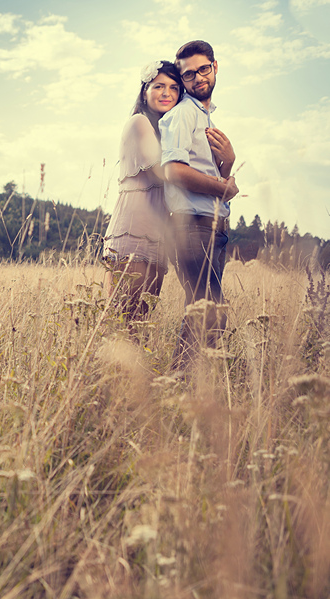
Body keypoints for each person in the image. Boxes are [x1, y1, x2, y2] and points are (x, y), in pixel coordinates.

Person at [159, 40, 239, 369]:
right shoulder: (182, 115)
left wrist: (229, 163)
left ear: (215, 67)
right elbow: (174, 170)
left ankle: (191, 390)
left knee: (205, 311)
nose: (197, 78)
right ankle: (180, 387)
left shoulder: (206, 118)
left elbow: (211, 173)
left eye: (203, 69)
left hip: (212, 224)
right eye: (188, 74)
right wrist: (222, 188)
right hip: (192, 224)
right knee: (208, 310)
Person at [103, 60, 183, 326]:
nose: (166, 93)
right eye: (159, 86)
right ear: (145, 91)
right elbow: (166, 172)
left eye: (173, 87)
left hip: (156, 236)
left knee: (139, 324)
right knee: (121, 321)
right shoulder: (139, 122)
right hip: (133, 231)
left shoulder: (165, 131)